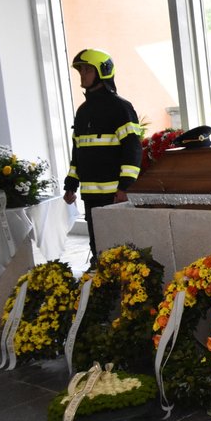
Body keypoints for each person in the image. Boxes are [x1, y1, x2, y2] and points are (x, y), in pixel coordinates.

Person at [63, 49, 142, 263]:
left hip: (114, 195)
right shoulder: (82, 112)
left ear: (103, 71)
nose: (82, 74)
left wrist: (124, 186)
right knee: (97, 246)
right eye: (80, 70)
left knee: (120, 246)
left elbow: (133, 149)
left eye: (87, 70)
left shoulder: (121, 108)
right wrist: (71, 183)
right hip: (90, 196)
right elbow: (77, 151)